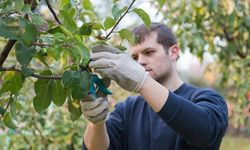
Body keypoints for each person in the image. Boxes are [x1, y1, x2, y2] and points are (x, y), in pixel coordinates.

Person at [80, 22, 228, 150]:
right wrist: (96, 123)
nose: (140, 62)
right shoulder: (127, 110)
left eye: (149, 52)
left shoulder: (207, 98)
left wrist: (142, 81)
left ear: (173, 52)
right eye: (134, 57)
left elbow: (205, 132)